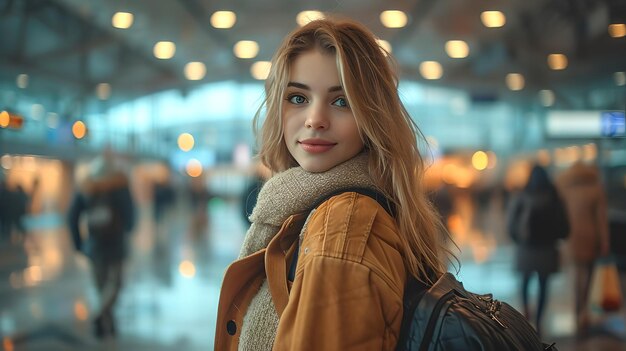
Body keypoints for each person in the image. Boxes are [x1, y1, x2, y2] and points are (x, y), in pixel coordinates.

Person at [214, 18, 452, 350]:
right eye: (298, 98)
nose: (315, 119)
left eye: (341, 101)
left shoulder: (343, 226)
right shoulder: (316, 209)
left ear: (372, 116)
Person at [67, 150, 135, 339]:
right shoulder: (120, 184)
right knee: (115, 285)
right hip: (116, 244)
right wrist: (128, 227)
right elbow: (130, 215)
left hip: (94, 244)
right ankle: (102, 317)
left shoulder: (87, 186)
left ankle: (105, 322)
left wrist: (78, 243)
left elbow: (72, 216)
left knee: (101, 285)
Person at [506, 165, 569, 335]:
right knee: (543, 285)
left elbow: (511, 223)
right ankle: (539, 320)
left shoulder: (523, 196)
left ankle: (526, 313)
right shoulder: (554, 197)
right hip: (547, 249)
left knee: (525, 282)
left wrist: (517, 239)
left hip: (527, 248)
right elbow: (564, 226)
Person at [556, 162, 610, 336]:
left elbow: (561, 216)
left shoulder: (565, 189)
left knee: (576, 273)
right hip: (591, 236)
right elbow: (601, 219)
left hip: (571, 237)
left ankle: (577, 307)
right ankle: (584, 310)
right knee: (589, 272)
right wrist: (605, 241)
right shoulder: (595, 189)